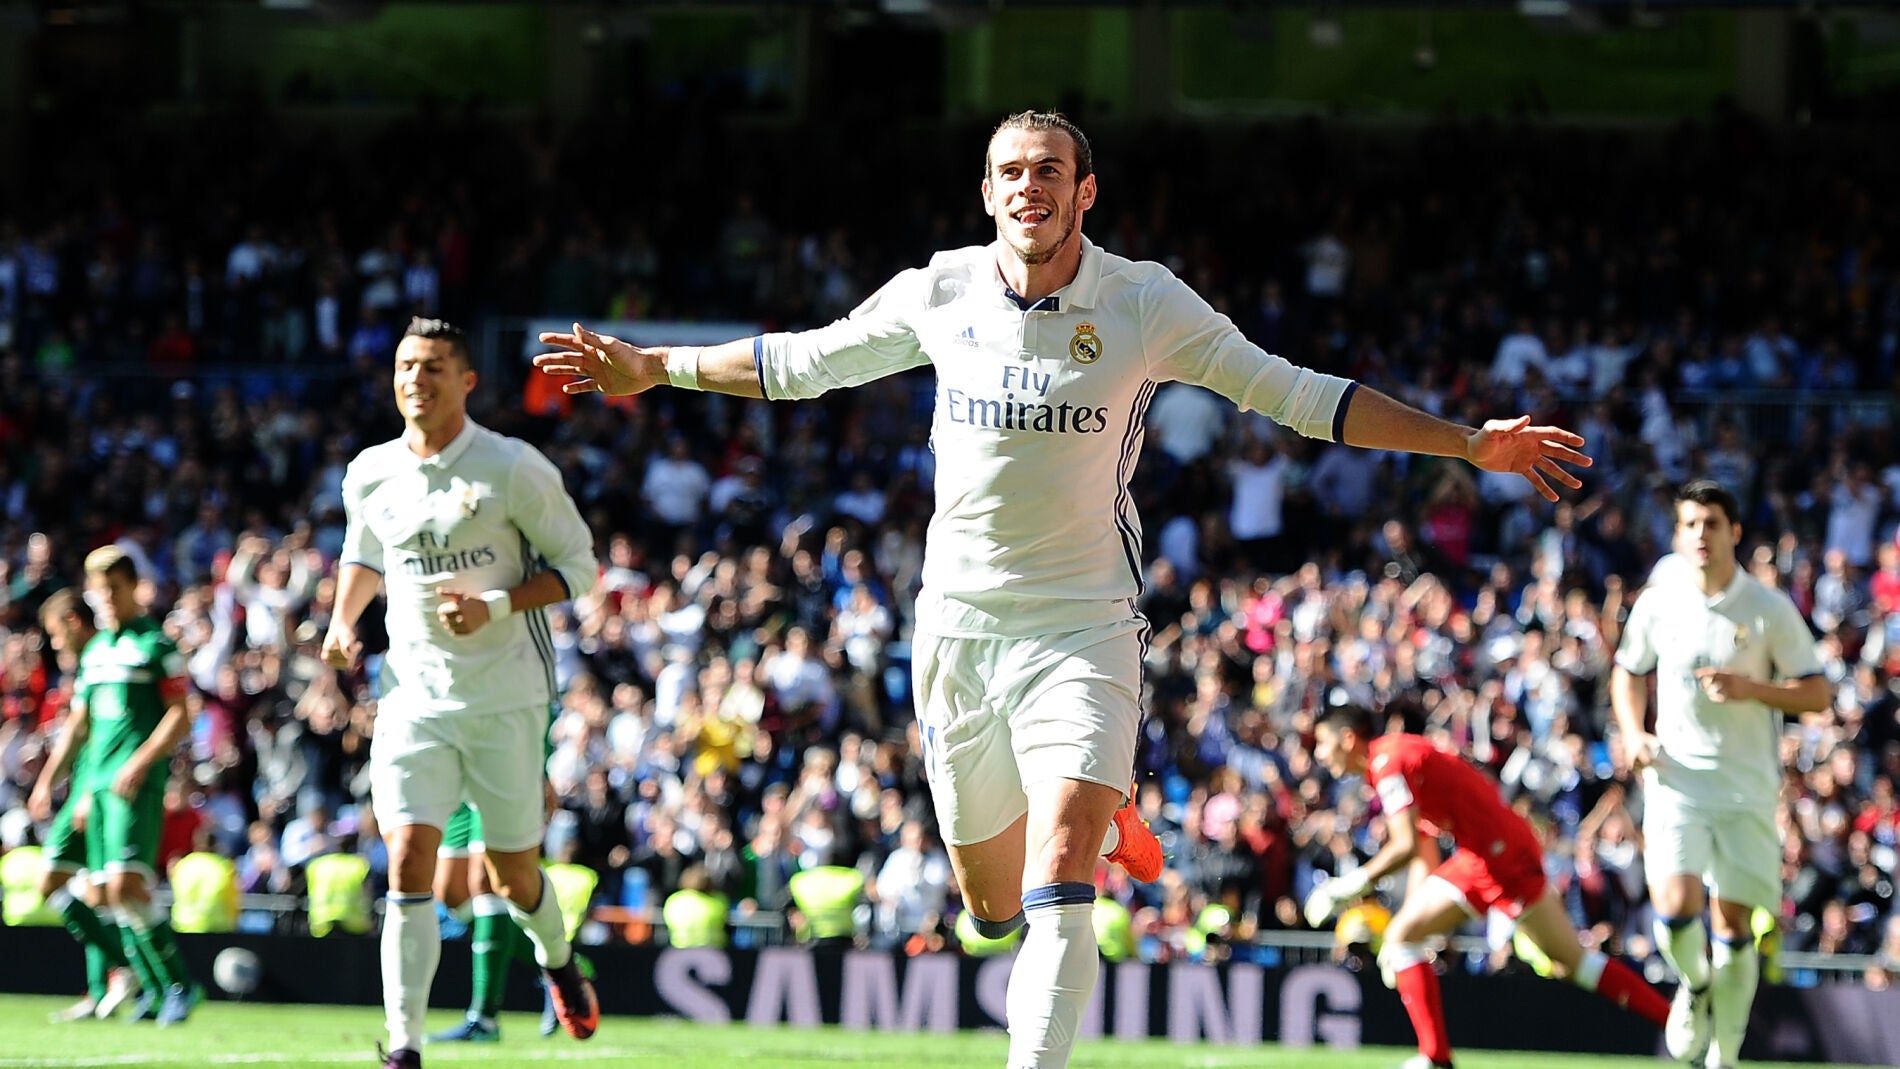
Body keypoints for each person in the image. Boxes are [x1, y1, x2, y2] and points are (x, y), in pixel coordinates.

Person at [534, 111, 1590, 1069]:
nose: (1027, 186)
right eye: (1008, 172)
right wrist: (657, 365)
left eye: (1049, 169)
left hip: (1084, 625)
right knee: (992, 906)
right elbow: (804, 363)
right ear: (986, 193)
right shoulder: (937, 290)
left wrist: (1463, 442)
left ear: (1087, 192)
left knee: (1060, 877)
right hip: (955, 628)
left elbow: (1294, 394)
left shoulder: (1143, 301)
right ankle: (1099, 812)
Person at [323, 317, 602, 1069]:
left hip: (506, 698)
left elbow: (582, 568)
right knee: (409, 857)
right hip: (412, 697)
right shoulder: (370, 472)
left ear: (467, 381)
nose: (417, 378)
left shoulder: (513, 468)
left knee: (513, 875)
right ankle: (404, 1047)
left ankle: (558, 960)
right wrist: (344, 620)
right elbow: (362, 553)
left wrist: (497, 604)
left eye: (435, 367)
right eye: (408, 365)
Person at [1304, 705, 1670, 1069]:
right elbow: (1423, 852)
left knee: (1572, 963)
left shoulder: (1388, 764)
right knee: (1571, 963)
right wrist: (1410, 935)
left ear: (1348, 738)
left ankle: (1675, 1022)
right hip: (1487, 854)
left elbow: (1405, 847)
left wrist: (1350, 886)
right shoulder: (1393, 758)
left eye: (1322, 742)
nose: (1319, 753)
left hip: (1499, 857)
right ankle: (1676, 1023)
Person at [1610, 479, 1829, 1069]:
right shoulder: (1660, 600)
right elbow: (1628, 670)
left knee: (1733, 928)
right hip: (1677, 780)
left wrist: (1750, 689)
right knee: (1675, 910)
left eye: (1711, 523)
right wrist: (1633, 733)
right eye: (1689, 524)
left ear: (1734, 531)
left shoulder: (1768, 608)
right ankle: (1693, 984)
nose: (1700, 535)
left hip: (1747, 789)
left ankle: (1725, 1055)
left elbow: (1817, 693)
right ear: (1678, 534)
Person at [29, 550, 198, 1026]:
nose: (104, 599)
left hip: (133, 781)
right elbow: (79, 724)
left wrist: (142, 761)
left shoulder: (156, 644)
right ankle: (149, 984)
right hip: (97, 783)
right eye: (98, 590)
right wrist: (49, 781)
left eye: (113, 589)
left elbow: (182, 713)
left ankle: (180, 984)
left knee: (125, 885)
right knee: (104, 892)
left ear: (133, 588)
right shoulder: (99, 651)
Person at [26, 587, 141, 1022]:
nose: (56, 646)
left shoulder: (106, 657)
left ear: (73, 623)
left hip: (98, 790)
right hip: (89, 787)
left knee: (55, 882)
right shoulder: (97, 661)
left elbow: (100, 733)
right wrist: (49, 782)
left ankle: (125, 967)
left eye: (56, 636)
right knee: (92, 895)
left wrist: (89, 792)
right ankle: (101, 989)